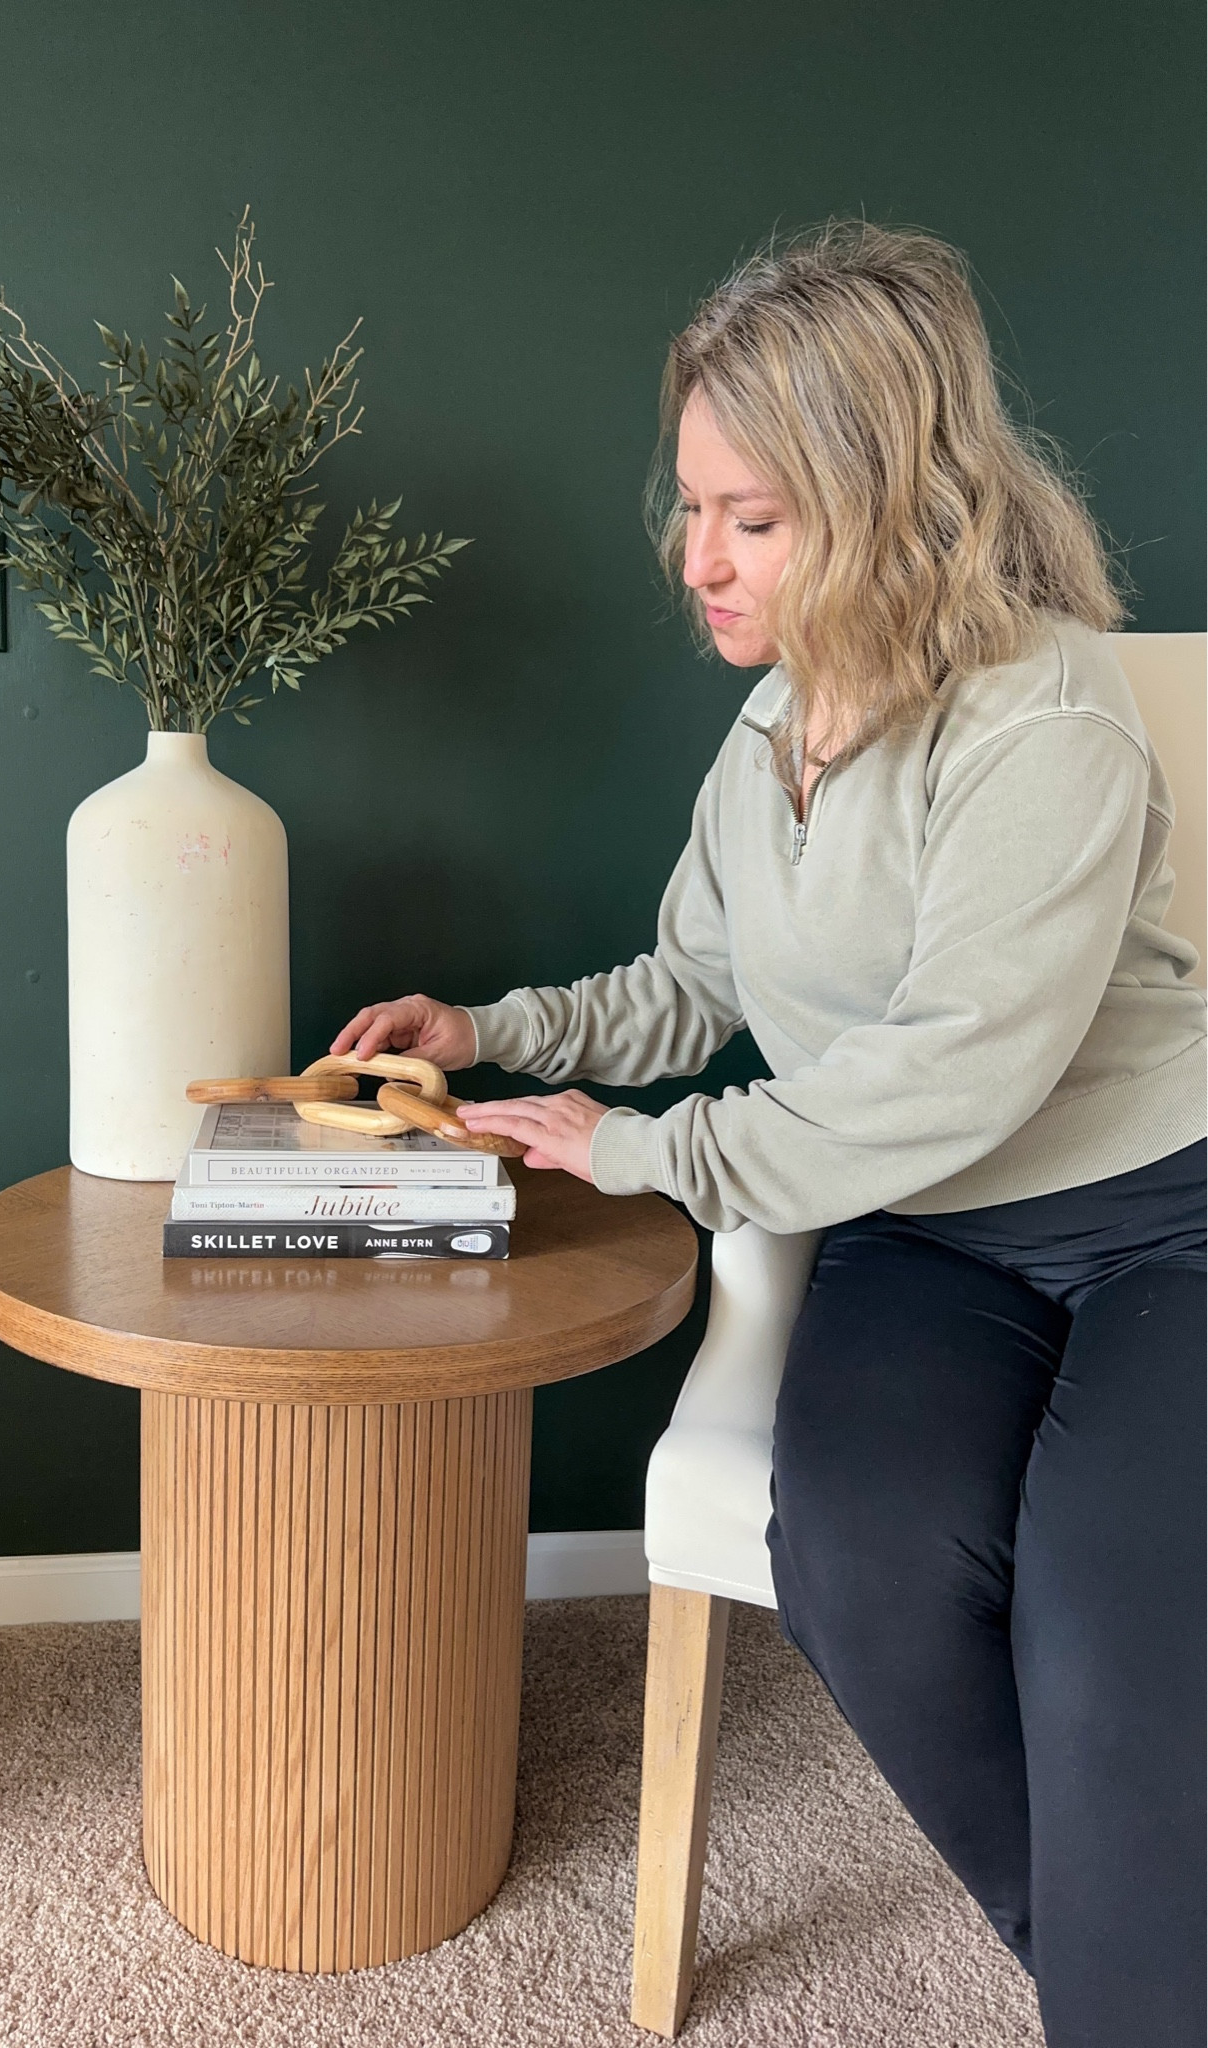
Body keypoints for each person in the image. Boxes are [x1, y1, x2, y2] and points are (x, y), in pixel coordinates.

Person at [329, 223, 1206, 2048]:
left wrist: (648, 1157)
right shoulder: (770, 731)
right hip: (918, 1232)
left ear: (883, 503)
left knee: (1107, 1637)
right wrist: (491, 1030)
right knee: (862, 1569)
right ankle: (1121, 1967)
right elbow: (694, 979)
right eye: (694, 504)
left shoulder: (1043, 710)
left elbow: (960, 1068)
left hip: (1160, 1217)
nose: (696, 555)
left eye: (753, 517)